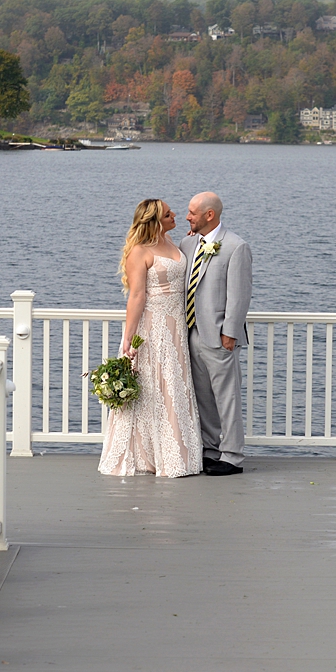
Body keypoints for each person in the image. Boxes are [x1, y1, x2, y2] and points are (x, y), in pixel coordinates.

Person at [98, 199, 203, 477]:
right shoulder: (139, 252)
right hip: (153, 326)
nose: (176, 215)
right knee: (153, 385)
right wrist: (128, 338)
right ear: (156, 221)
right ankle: (147, 456)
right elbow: (137, 296)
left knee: (174, 384)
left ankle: (176, 452)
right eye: (169, 214)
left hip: (177, 325)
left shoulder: (174, 243)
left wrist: (192, 240)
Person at [179, 192, 252, 476]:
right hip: (191, 332)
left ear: (210, 215)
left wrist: (230, 333)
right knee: (202, 396)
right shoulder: (187, 243)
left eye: (192, 212)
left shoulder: (236, 246)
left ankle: (232, 456)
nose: (188, 217)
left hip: (220, 335)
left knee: (227, 396)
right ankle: (210, 450)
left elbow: (240, 295)